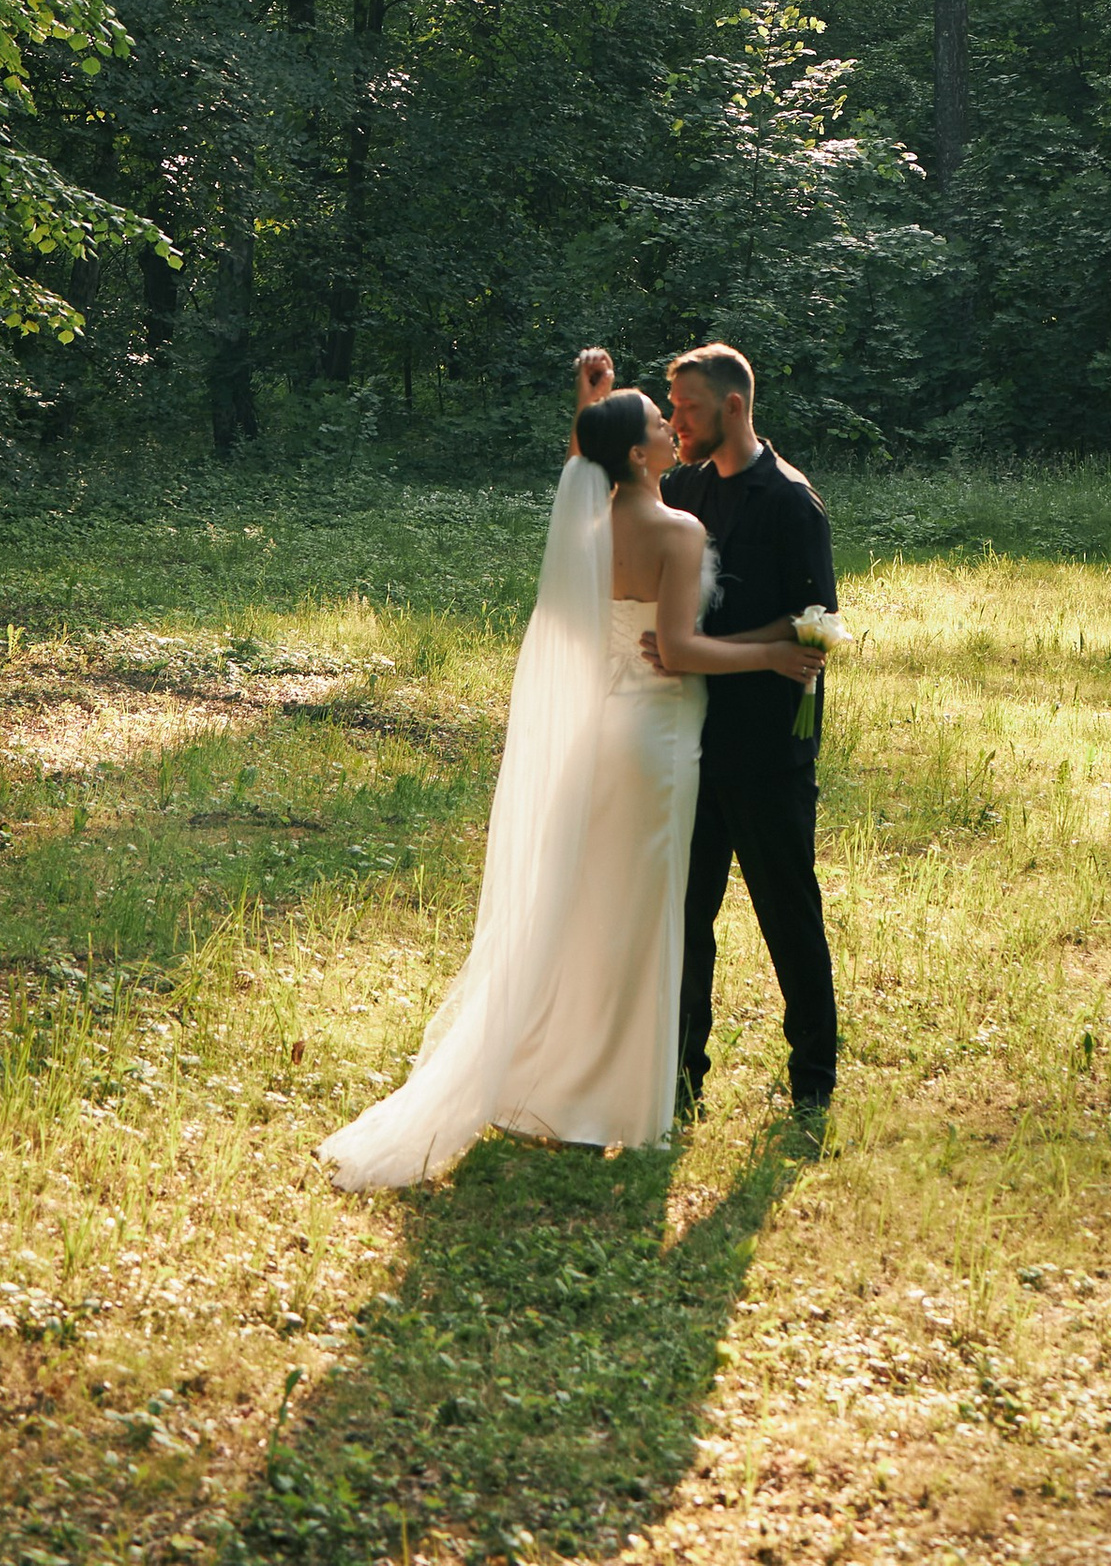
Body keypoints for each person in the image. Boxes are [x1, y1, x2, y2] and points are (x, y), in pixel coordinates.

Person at [318, 375, 820, 1189]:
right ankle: (611, 1101)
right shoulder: (680, 527)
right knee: (638, 918)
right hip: (656, 737)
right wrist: (770, 654)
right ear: (636, 452)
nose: (671, 427)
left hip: (601, 728)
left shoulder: (590, 517)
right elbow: (681, 651)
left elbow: (583, 464)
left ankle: (550, 1081)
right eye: (660, 421)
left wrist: (586, 406)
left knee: (583, 904)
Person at [586, 340, 842, 1119]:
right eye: (674, 414)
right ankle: (683, 1072)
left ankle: (813, 1078)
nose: (681, 423)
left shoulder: (792, 501)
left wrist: (703, 653)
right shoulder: (688, 485)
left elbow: (814, 625)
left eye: (689, 409)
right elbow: (599, 467)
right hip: (687, 740)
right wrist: (590, 400)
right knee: (687, 918)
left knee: (786, 912)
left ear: (732, 406)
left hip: (767, 747)